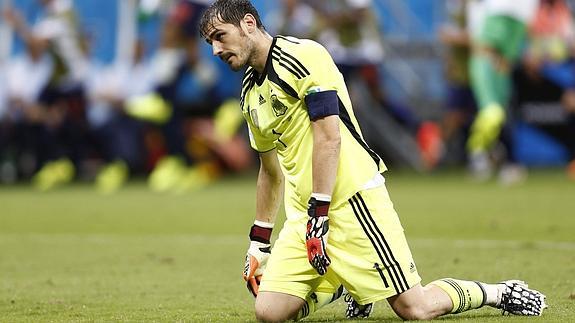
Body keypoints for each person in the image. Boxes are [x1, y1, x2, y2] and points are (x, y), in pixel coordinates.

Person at [199, 1, 547, 321]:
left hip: (353, 200)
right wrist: (259, 242)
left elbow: (329, 138)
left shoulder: (303, 55)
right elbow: (269, 170)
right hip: (305, 214)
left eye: (219, 37)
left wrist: (320, 213)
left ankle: (497, 292)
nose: (216, 50)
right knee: (269, 312)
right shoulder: (249, 92)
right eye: (210, 43)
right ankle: (343, 285)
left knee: (415, 308)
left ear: (247, 23)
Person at [466, 0, 540, 180]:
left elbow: (507, 49)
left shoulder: (504, 14)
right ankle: (479, 154)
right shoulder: (488, 13)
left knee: (503, 115)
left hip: (499, 68)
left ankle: (496, 159)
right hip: (487, 66)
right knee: (493, 113)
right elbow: (483, 45)